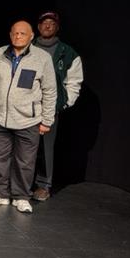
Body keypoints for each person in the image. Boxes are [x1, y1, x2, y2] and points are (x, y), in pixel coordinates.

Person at [0, 21, 57, 213]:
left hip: (28, 120)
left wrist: (47, 120)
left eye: (23, 34)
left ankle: (21, 196)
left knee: (25, 161)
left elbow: (49, 90)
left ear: (31, 36)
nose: (18, 37)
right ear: (10, 34)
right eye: (15, 33)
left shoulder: (42, 58)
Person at [32, 11, 83, 201]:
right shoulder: (28, 47)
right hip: (26, 106)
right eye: (44, 23)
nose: (47, 26)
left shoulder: (66, 52)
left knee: (46, 148)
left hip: (49, 107)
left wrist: (64, 102)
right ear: (38, 27)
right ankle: (23, 182)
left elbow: (74, 81)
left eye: (51, 24)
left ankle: (43, 185)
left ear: (57, 27)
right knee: (24, 147)